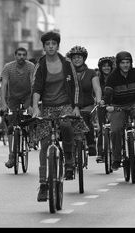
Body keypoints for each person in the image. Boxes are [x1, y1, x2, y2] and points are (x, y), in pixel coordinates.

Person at [31, 30, 88, 202]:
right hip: (47, 106)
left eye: (53, 44)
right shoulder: (40, 65)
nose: (50, 47)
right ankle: (43, 185)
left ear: (57, 46)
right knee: (45, 143)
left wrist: (76, 107)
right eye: (47, 44)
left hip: (65, 105)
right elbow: (36, 88)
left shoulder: (67, 63)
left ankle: (69, 158)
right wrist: (35, 107)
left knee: (65, 125)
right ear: (44, 47)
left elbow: (76, 86)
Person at [103, 51, 135, 171]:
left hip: (133, 102)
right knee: (115, 131)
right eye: (122, 63)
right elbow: (108, 92)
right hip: (117, 105)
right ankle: (116, 159)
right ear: (118, 64)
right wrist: (108, 104)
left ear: (131, 63)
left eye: (127, 62)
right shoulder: (112, 77)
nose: (125, 65)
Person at [0, 47, 35, 169]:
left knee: (29, 115)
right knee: (11, 126)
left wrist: (31, 104)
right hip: (13, 98)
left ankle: (31, 136)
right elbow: (4, 86)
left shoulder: (30, 66)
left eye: (24, 55)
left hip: (27, 96)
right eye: (19, 55)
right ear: (15, 56)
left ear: (26, 56)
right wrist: (3, 103)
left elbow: (33, 84)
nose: (21, 57)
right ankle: (11, 155)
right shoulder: (8, 67)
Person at [66, 45, 102, 157]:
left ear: (84, 59)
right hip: (70, 105)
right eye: (74, 57)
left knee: (85, 116)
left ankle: (91, 144)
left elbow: (97, 88)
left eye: (79, 57)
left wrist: (99, 99)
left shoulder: (91, 73)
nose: (77, 59)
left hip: (87, 104)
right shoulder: (66, 73)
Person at [95, 56, 115, 163]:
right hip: (102, 105)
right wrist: (98, 100)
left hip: (114, 105)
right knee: (101, 128)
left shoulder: (115, 77)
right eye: (104, 66)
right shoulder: (97, 79)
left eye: (108, 66)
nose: (106, 68)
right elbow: (94, 91)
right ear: (100, 68)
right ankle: (100, 152)